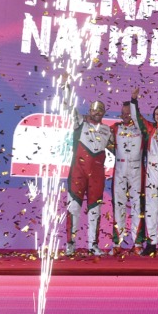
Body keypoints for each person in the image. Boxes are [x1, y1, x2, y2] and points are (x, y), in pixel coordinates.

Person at [131, 88, 158, 256]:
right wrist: (134, 101)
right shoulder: (151, 130)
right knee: (150, 209)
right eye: (157, 114)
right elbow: (137, 118)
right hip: (151, 175)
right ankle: (151, 243)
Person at [64, 99, 110, 255]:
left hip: (97, 176)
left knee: (95, 210)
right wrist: (65, 86)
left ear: (104, 113)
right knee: (74, 208)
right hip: (78, 173)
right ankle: (70, 244)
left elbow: (122, 150)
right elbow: (69, 106)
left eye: (100, 110)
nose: (97, 112)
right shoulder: (80, 123)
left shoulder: (107, 130)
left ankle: (93, 245)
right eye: (94, 109)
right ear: (89, 111)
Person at [109, 99, 145, 252]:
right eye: (123, 113)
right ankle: (117, 244)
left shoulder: (142, 129)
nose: (125, 116)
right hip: (120, 169)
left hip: (137, 169)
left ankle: (137, 244)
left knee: (138, 206)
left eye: (129, 113)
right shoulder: (115, 129)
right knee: (119, 206)